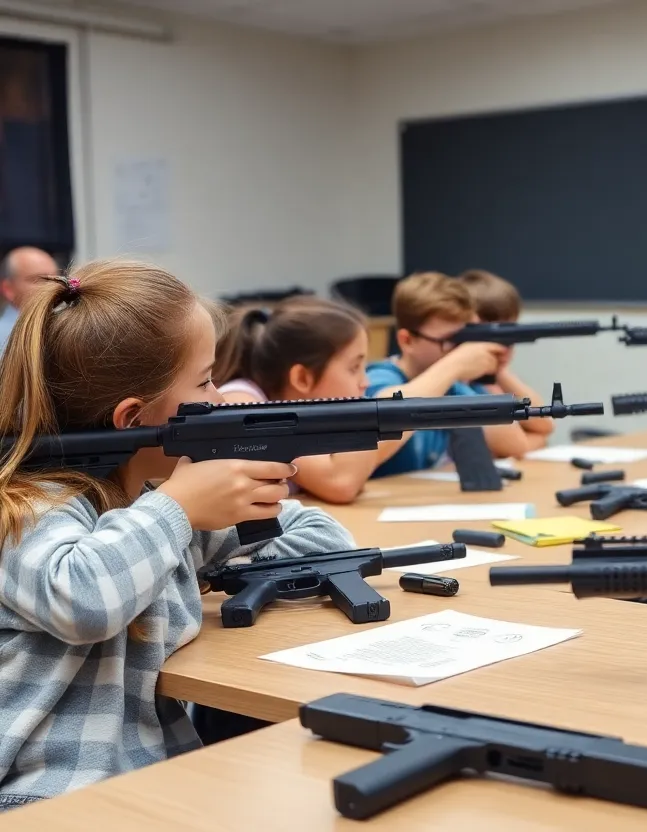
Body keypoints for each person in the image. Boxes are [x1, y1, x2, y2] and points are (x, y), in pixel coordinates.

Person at [0, 259, 355, 809]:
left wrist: (257, 490)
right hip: (47, 801)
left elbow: (324, 541)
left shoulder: (153, 512)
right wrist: (180, 505)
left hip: (150, 784)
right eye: (206, 380)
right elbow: (81, 599)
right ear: (133, 417)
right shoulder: (21, 508)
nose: (219, 397)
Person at [213, 296, 408, 503]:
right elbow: (342, 482)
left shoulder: (308, 417)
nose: (365, 383)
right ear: (302, 378)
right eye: (353, 368)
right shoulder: (243, 404)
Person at [365, 272, 528, 476]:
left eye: (464, 340)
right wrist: (455, 365)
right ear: (407, 341)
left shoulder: (452, 386)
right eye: (448, 341)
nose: (460, 350)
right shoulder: (380, 377)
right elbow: (382, 418)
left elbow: (516, 446)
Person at [457, 268, 554, 451]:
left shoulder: (492, 382)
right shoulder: (462, 386)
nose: (505, 348)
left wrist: (500, 372)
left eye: (511, 338)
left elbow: (545, 424)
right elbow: (519, 447)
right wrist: (537, 441)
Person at [0, 246, 58, 352]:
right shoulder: (5, 339)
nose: (52, 286)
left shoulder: (67, 328)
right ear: (8, 289)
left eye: (57, 279)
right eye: (39, 279)